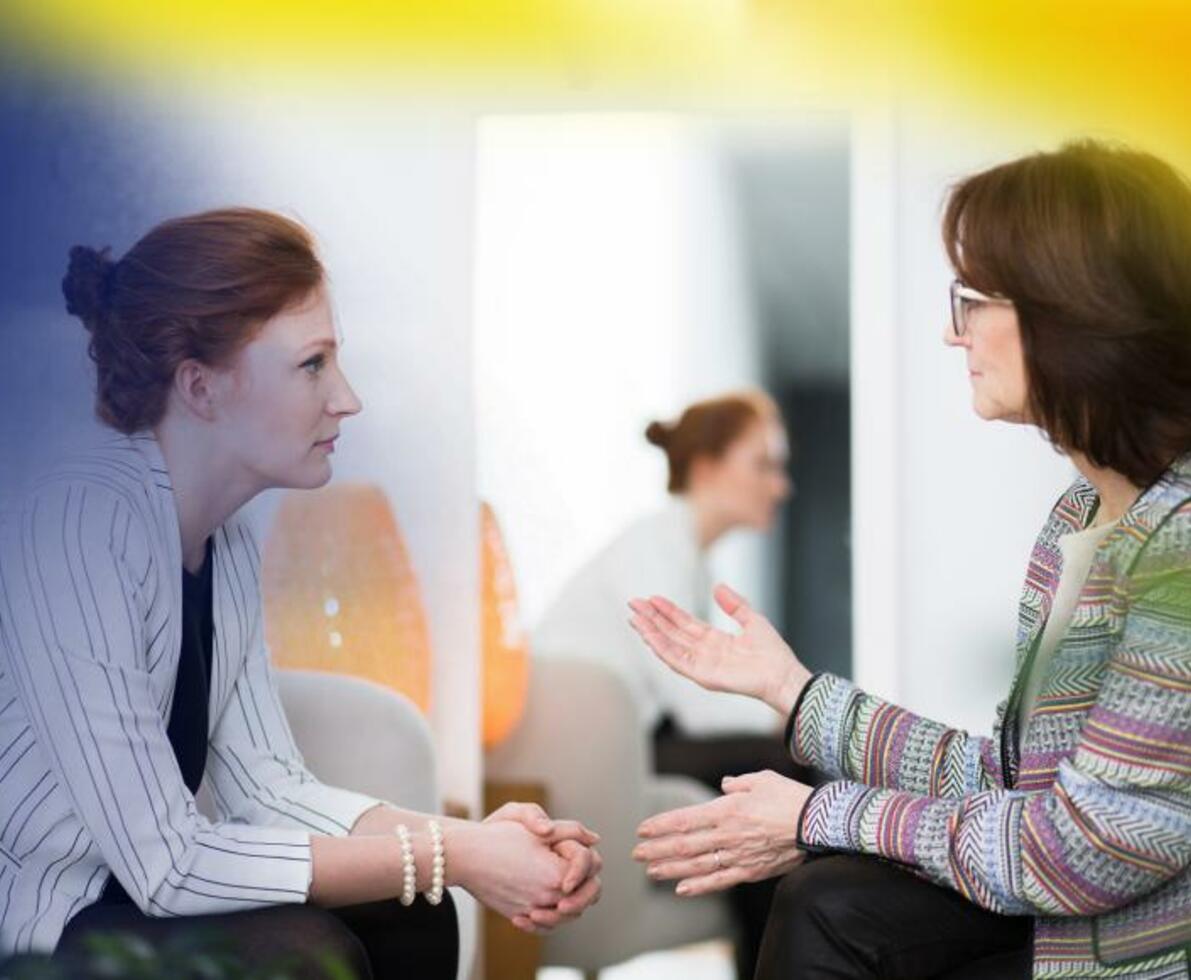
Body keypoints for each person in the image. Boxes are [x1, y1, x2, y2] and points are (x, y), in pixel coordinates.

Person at [628, 140, 1191, 979]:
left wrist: (822, 814)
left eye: (972, 300)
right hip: (1070, 929)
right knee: (829, 902)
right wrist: (790, 690)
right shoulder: (1080, 520)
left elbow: (1082, 850)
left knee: (831, 889)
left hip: (1137, 954)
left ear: (1068, 312)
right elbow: (1005, 776)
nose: (948, 329)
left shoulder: (1175, 548)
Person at [0, 208, 601, 977]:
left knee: (410, 913)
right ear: (200, 386)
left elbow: (269, 786)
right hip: (48, 924)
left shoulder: (225, 538)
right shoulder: (76, 524)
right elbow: (168, 867)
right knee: (305, 953)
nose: (346, 398)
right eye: (312, 364)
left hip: (133, 900)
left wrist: (478, 843)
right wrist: (460, 852)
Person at [533, 389, 811, 979]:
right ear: (707, 467)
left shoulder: (682, 554)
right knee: (782, 765)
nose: (780, 486)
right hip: (596, 752)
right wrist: (788, 714)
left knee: (777, 775)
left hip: (635, 737)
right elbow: (689, 701)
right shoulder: (656, 545)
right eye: (764, 464)